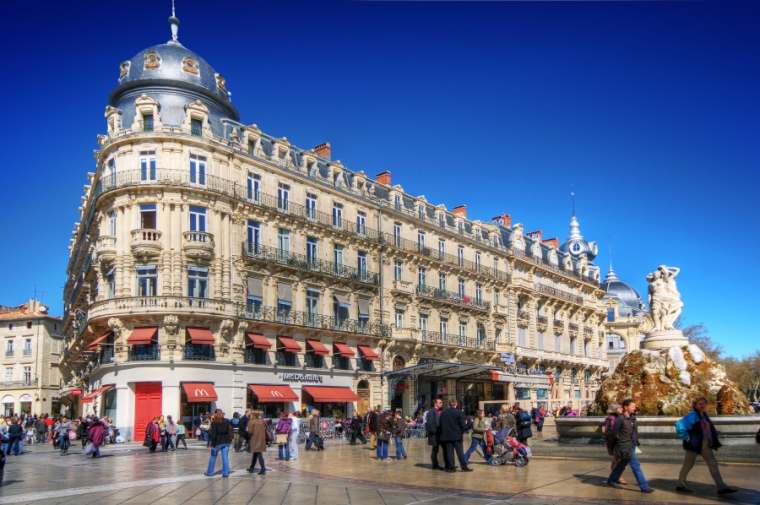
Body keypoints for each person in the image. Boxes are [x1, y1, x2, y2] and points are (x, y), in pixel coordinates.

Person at [675, 397, 737, 495]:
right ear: (695, 405)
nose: (702, 405)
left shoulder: (704, 415)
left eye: (704, 403)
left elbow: (705, 428)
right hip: (694, 444)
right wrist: (687, 438)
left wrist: (714, 433)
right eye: (700, 404)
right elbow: (679, 425)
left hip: (705, 444)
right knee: (688, 465)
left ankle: (721, 487)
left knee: (713, 464)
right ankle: (680, 484)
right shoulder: (693, 415)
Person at [606, 399, 653, 494]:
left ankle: (611, 480)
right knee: (636, 466)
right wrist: (613, 447)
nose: (634, 408)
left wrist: (636, 442)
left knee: (622, 464)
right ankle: (644, 487)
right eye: (632, 406)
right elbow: (614, 434)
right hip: (624, 446)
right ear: (625, 407)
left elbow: (634, 432)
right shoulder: (620, 419)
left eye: (634, 406)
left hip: (631, 445)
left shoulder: (632, 418)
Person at [439, 400, 472, 472]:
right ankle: (464, 467)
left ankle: (451, 468)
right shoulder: (459, 413)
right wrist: (469, 424)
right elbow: (463, 426)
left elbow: (440, 424)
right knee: (460, 452)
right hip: (457, 436)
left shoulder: (443, 413)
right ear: (456, 404)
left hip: (446, 436)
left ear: (449, 405)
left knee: (449, 453)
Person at [601, 403, 627, 484]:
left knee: (616, 459)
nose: (622, 409)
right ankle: (617, 477)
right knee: (617, 460)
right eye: (620, 408)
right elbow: (612, 432)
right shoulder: (612, 419)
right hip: (614, 442)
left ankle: (616, 476)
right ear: (615, 409)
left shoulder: (615, 418)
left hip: (615, 441)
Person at [205, 410, 233, 478]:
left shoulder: (214, 422)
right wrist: (230, 440)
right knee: (225, 457)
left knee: (213, 457)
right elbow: (230, 431)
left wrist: (212, 444)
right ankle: (225, 473)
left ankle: (210, 472)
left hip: (217, 442)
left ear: (216, 414)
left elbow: (213, 435)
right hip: (226, 441)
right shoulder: (227, 421)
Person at [425, 398, 445, 470]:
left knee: (436, 450)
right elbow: (429, 424)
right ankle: (435, 465)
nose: (441, 404)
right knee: (435, 450)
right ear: (435, 403)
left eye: (441, 402)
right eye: (440, 402)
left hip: (439, 435)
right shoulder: (431, 412)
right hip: (435, 435)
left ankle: (437, 464)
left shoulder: (439, 411)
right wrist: (435, 431)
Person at [246, 411, 267, 475]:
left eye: (251, 415)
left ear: (253, 415)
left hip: (255, 439)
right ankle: (251, 467)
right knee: (255, 454)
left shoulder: (251, 422)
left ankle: (263, 469)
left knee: (259, 454)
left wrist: (247, 432)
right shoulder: (262, 421)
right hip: (261, 439)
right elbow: (265, 428)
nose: (250, 416)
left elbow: (250, 432)